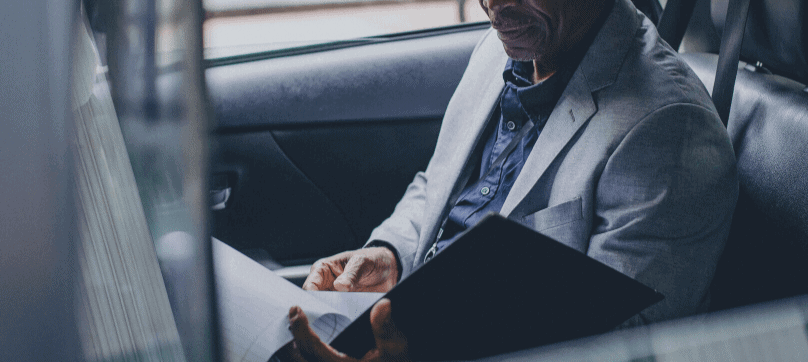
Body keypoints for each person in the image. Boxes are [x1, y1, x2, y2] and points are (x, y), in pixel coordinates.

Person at [285, 0, 738, 359]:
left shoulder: (668, 129)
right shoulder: (504, 45)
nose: (492, 4)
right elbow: (438, 185)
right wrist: (393, 256)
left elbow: (620, 344)